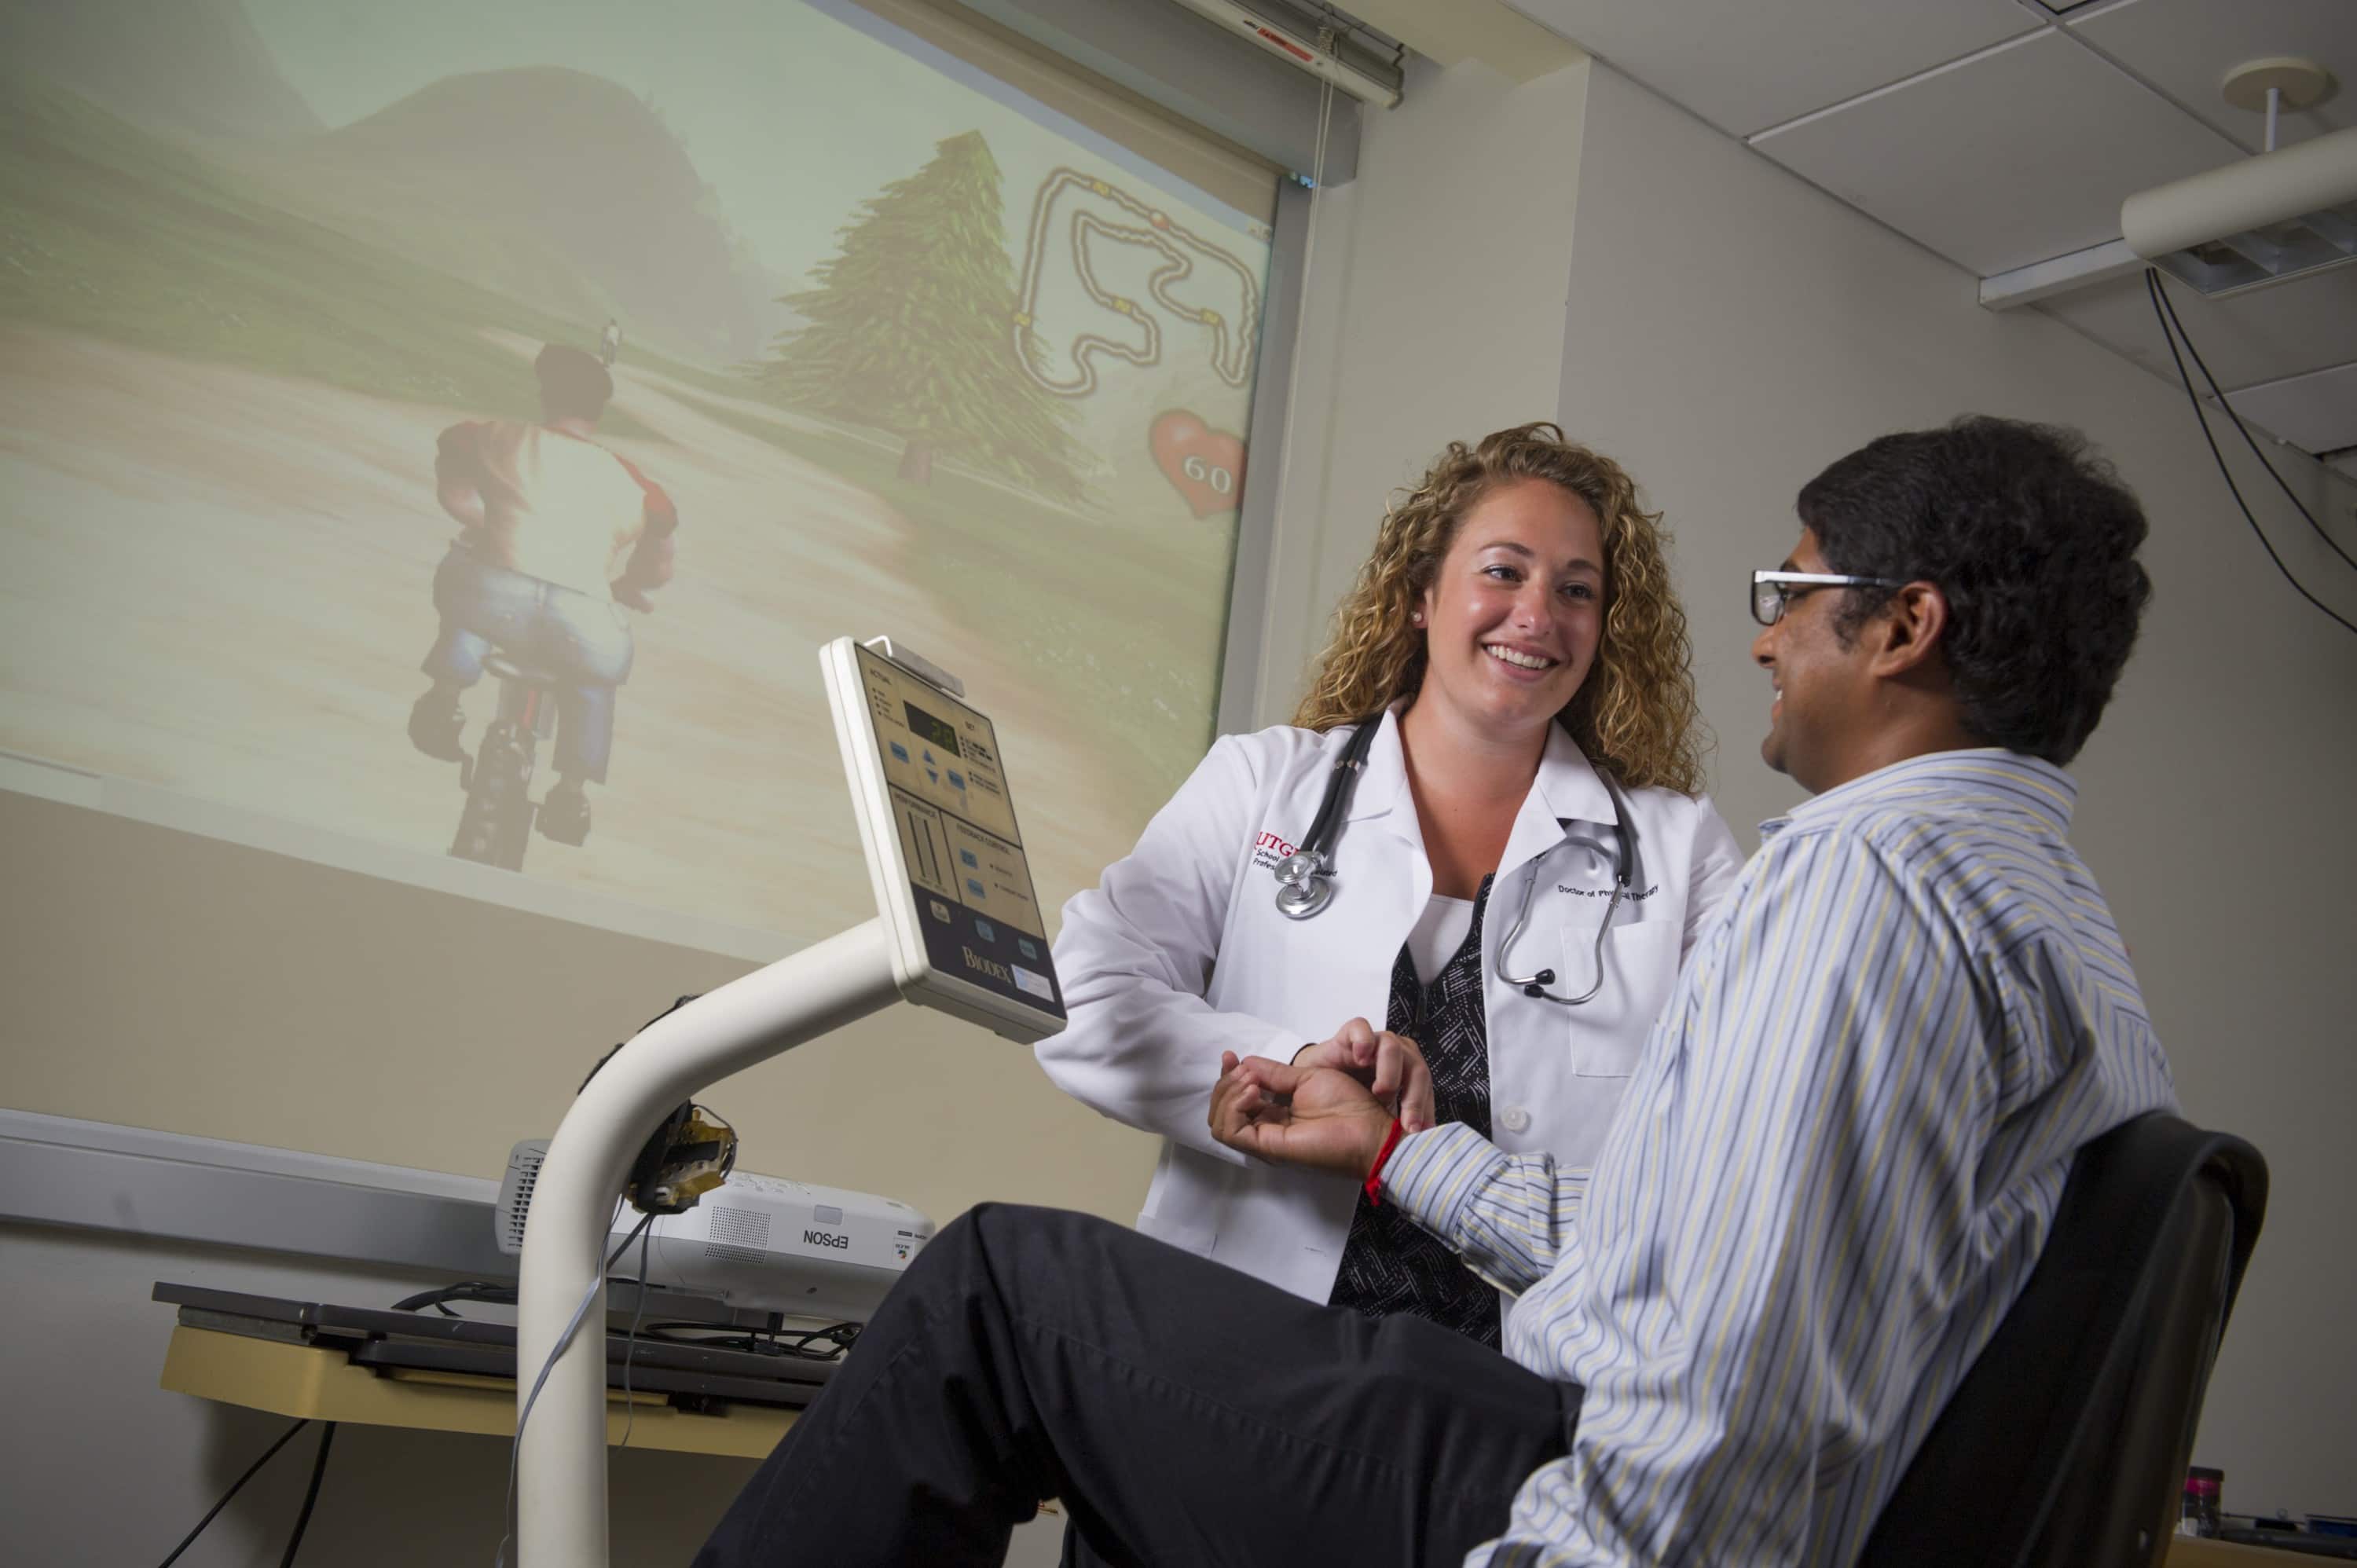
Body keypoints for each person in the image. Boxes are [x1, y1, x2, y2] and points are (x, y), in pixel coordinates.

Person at [691, 416, 2173, 1568]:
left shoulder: (1835, 883)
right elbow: (1714, 1245)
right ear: (1422, 595)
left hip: (1543, 1463)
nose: (1763, 635)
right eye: (1503, 572)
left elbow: (1738, 1376)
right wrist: (1384, 1140)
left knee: (997, 1291)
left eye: (1789, 593)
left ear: (1904, 627)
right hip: (1430, 1391)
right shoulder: (2052, 923)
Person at [1039, 423, 1743, 1350]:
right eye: (1504, 571)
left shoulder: (1680, 851)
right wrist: (1294, 1065)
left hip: (1517, 1390)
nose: (1538, 614)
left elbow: (1743, 1129)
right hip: (1240, 1351)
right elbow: (1081, 998)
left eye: (1577, 590)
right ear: (1420, 595)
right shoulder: (1262, 783)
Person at [406, 343, 676, 845]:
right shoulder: (636, 484)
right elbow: (657, 567)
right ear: (599, 411)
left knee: (471, 592)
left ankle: (444, 698)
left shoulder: (495, 438)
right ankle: (572, 793)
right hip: (581, 619)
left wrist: (490, 527)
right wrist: (628, 586)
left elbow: (454, 495)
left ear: (545, 395)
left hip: (495, 598)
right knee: (594, 682)